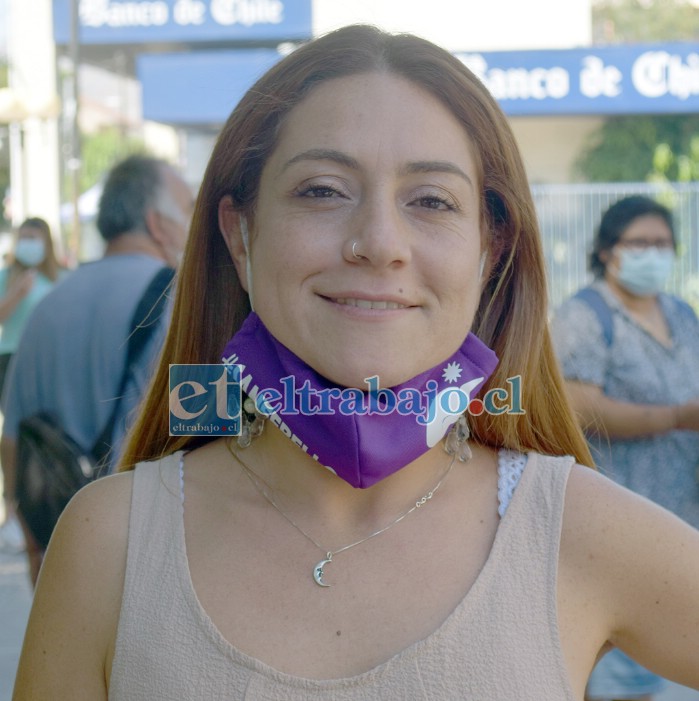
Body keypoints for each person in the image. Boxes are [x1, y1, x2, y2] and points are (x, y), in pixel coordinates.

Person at [12, 26, 699, 700]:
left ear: (488, 252)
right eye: (322, 190)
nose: (378, 242)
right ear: (239, 234)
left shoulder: (574, 531)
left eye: (431, 200)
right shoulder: (111, 542)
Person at [0, 154, 193, 586]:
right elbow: (210, 436)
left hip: (64, 556)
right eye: (187, 210)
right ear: (157, 223)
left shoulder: (46, 308)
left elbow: (12, 441)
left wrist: (37, 550)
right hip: (152, 556)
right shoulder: (186, 305)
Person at [551, 195, 699, 701]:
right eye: (639, 243)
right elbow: (578, 405)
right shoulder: (586, 316)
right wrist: (677, 418)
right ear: (608, 249)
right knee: (624, 673)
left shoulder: (680, 313)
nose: (652, 254)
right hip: (615, 525)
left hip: (681, 516)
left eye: (662, 243)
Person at [0, 217, 60, 553]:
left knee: (43, 432)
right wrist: (16, 292)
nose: (28, 243)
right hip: (9, 358)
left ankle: (48, 495)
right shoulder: (7, 277)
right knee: (13, 433)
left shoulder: (58, 278)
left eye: (34, 237)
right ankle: (12, 507)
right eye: (23, 237)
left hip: (46, 360)